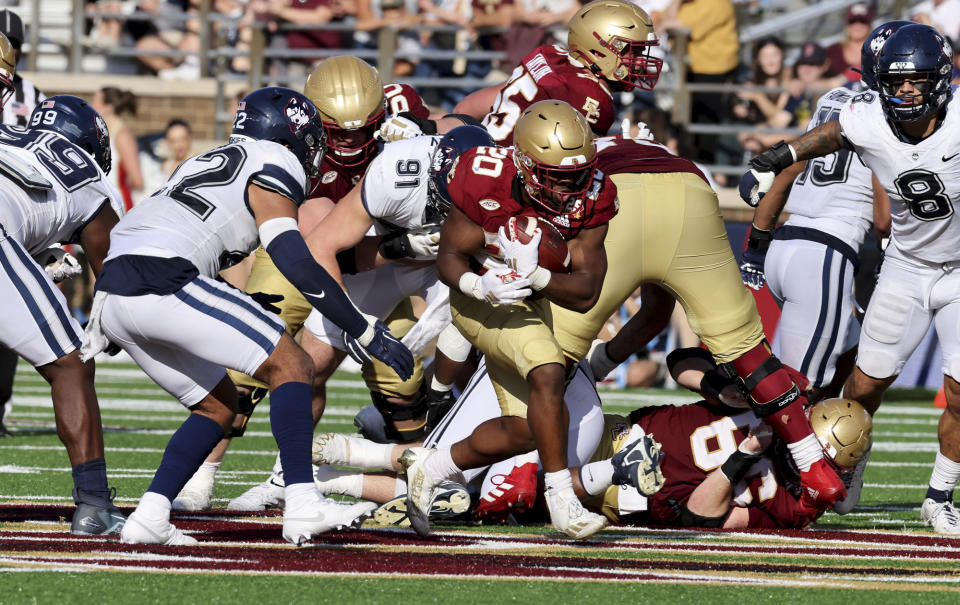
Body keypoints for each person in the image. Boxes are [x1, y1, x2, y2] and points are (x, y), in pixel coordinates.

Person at [83, 87, 413, 546]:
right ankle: (302, 503)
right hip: (161, 276)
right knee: (294, 364)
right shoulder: (273, 160)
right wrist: (362, 328)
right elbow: (292, 255)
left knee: (218, 406)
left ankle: (150, 516)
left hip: (115, 289)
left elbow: (194, 234)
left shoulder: (204, 159)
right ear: (291, 134)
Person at [170, 56, 440, 513]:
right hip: (297, 252)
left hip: (374, 266)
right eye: (340, 131)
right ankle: (201, 473)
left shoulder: (401, 116)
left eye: (364, 129)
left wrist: (425, 139)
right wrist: (398, 251)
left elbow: (463, 132)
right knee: (246, 362)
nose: (353, 141)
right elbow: (317, 239)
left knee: (401, 381)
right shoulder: (290, 138)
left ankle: (433, 475)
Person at [738, 24, 960, 533]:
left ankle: (939, 495)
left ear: (941, 79)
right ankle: (849, 458)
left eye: (918, 80)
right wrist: (776, 157)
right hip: (906, 267)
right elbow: (830, 134)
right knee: (862, 385)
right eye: (896, 81)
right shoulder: (869, 117)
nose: (906, 91)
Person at [0, 95, 126, 533]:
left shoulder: (9, 133)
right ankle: (95, 505)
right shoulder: (86, 173)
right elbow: (116, 275)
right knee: (71, 364)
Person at [452, 0, 662, 145]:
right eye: (633, 51)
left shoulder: (551, 55)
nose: (638, 62)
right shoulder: (590, 96)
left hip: (483, 158)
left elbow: (468, 106)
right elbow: (578, 166)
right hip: (515, 183)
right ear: (598, 51)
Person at [91, 87, 143, 210]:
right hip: (102, 203)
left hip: (120, 204)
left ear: (108, 107)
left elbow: (137, 180)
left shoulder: (122, 136)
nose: (91, 105)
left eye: (95, 101)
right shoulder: (101, 133)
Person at [825, 3, 872, 82]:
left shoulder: (879, 49)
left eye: (863, 21)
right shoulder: (833, 50)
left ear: (869, 25)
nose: (857, 25)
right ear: (846, 25)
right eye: (853, 21)